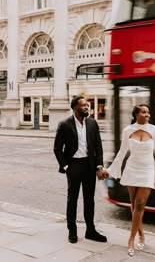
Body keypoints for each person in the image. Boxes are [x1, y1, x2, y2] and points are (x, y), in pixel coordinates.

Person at [104, 104, 155, 256]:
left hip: (148, 170)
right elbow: (121, 153)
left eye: (148, 112)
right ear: (136, 114)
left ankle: (131, 239)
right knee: (133, 204)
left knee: (140, 204)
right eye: (144, 112)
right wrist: (110, 170)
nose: (148, 115)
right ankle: (141, 234)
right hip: (132, 169)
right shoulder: (128, 130)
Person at [53, 96, 107, 244]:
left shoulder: (92, 123)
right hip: (73, 166)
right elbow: (57, 149)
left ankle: (91, 230)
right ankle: (72, 230)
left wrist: (99, 166)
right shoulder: (65, 124)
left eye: (87, 105)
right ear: (75, 108)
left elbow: (98, 147)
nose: (86, 108)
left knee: (89, 200)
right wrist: (66, 167)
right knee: (73, 200)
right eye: (83, 105)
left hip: (89, 166)